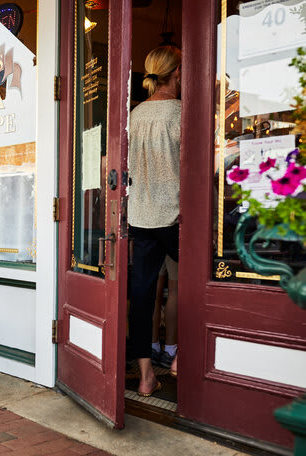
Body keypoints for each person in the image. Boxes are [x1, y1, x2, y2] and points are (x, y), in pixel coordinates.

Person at [128, 45, 181, 396]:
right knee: (197, 285)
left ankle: (145, 377)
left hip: (141, 216)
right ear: (177, 74)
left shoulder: (135, 114)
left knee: (142, 296)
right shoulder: (180, 112)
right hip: (176, 214)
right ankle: (182, 358)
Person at [151, 256, 178, 368]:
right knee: (174, 292)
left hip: (154, 243)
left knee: (155, 294)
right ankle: (170, 351)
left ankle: (153, 348)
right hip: (173, 245)